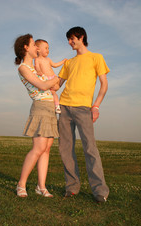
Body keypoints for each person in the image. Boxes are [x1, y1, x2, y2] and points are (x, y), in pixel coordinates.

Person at [58, 27, 110, 202]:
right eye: (68, 39)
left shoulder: (96, 57)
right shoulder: (69, 62)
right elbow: (57, 84)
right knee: (65, 149)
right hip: (64, 106)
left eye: (72, 38)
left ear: (81, 37)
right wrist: (38, 73)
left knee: (90, 149)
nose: (70, 42)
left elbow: (104, 84)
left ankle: (100, 191)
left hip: (84, 108)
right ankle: (72, 188)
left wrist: (96, 106)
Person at [14, 34, 59, 198]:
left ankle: (41, 187)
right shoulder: (24, 68)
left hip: (50, 108)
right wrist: (59, 77)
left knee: (46, 150)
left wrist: (65, 75)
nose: (36, 48)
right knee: (39, 148)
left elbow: (53, 87)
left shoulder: (37, 67)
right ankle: (21, 184)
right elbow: (42, 85)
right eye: (33, 44)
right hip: (40, 108)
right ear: (26, 47)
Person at [35, 39, 67, 114]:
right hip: (46, 80)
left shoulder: (48, 59)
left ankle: (57, 106)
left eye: (48, 48)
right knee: (53, 92)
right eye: (46, 48)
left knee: (55, 91)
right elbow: (37, 68)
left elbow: (55, 65)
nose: (48, 50)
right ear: (38, 49)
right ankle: (56, 106)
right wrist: (39, 71)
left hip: (53, 78)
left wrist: (63, 62)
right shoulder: (37, 59)